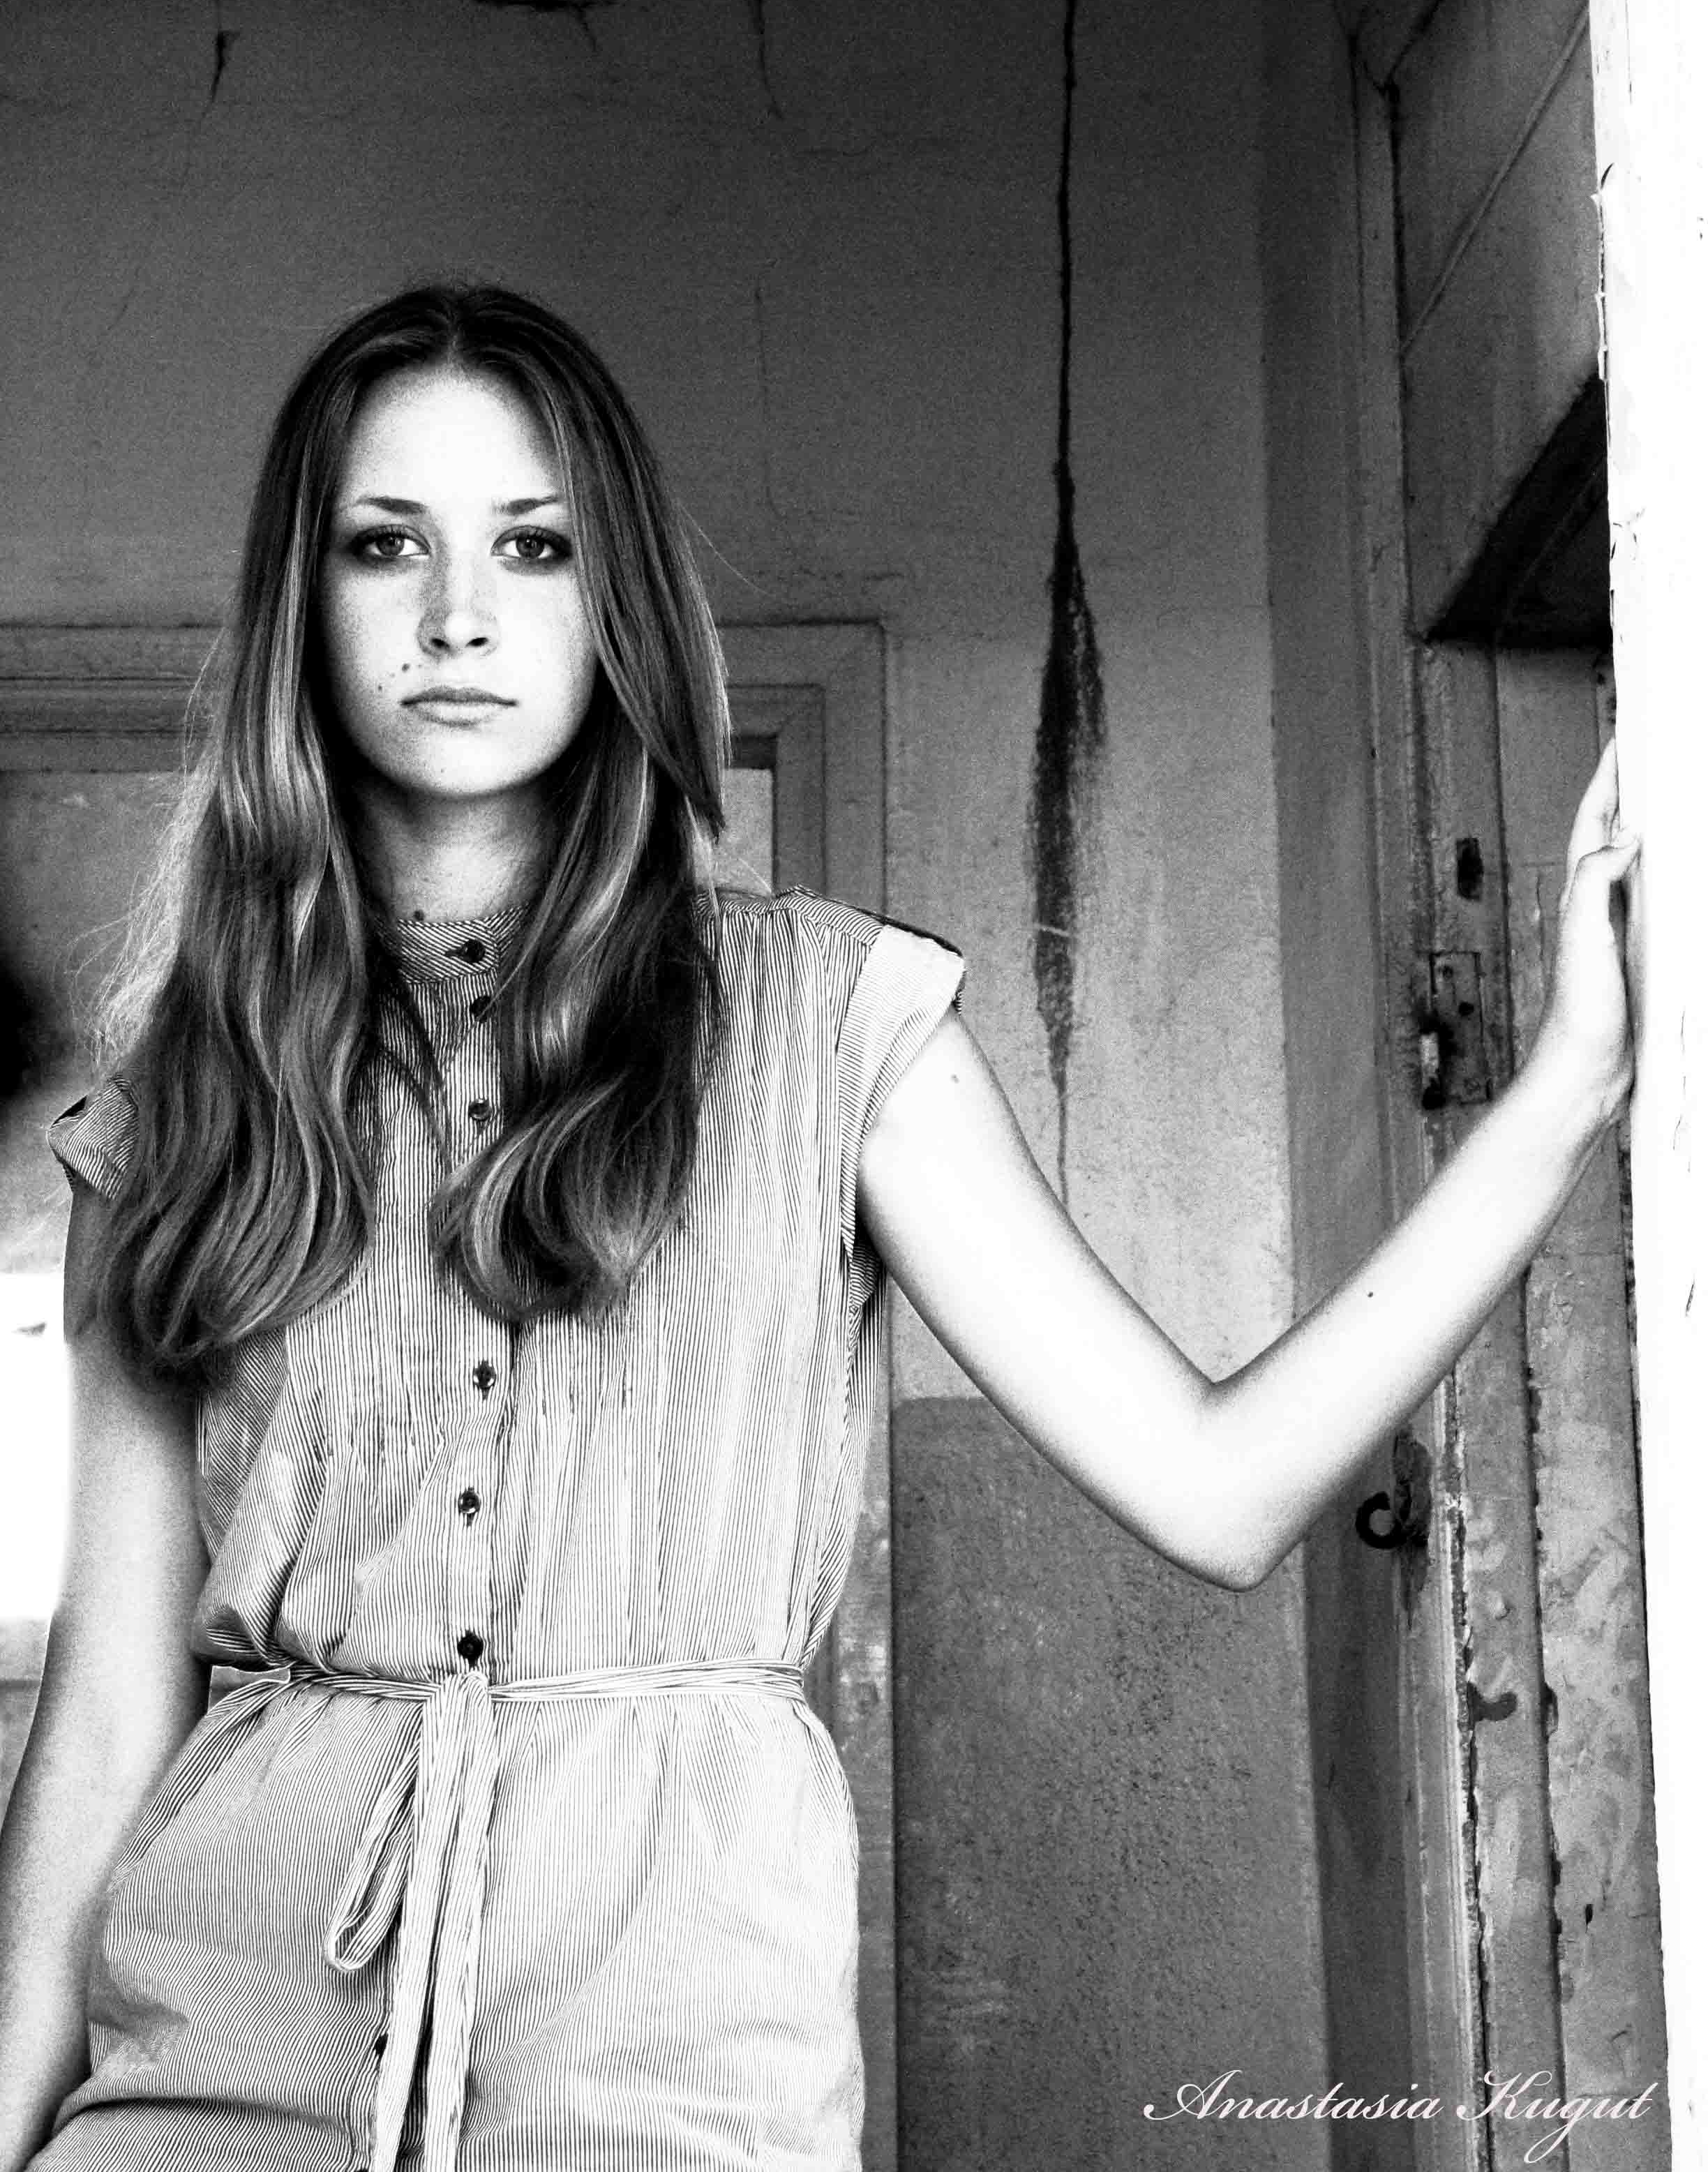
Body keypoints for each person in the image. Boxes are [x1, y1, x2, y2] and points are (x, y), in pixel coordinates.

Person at [0, 283, 1638, 2172]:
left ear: (614, 601)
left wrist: (1563, 1094)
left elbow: (1223, 1487)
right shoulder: (179, 1112)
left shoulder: (834, 1028)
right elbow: (106, 1726)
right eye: (386, 545)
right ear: (304, 602)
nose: (457, 615)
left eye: (533, 546)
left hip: (668, 2095)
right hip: (216, 2088)